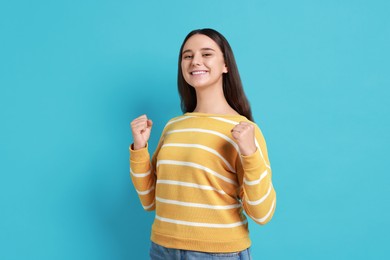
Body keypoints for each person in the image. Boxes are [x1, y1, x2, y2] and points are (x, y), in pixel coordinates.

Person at [129, 28, 276, 260]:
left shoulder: (245, 130)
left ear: (225, 64)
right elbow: (150, 200)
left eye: (206, 54)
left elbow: (262, 213)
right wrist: (139, 150)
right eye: (187, 56)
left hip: (217, 253)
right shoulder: (173, 126)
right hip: (162, 249)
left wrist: (250, 153)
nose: (195, 61)